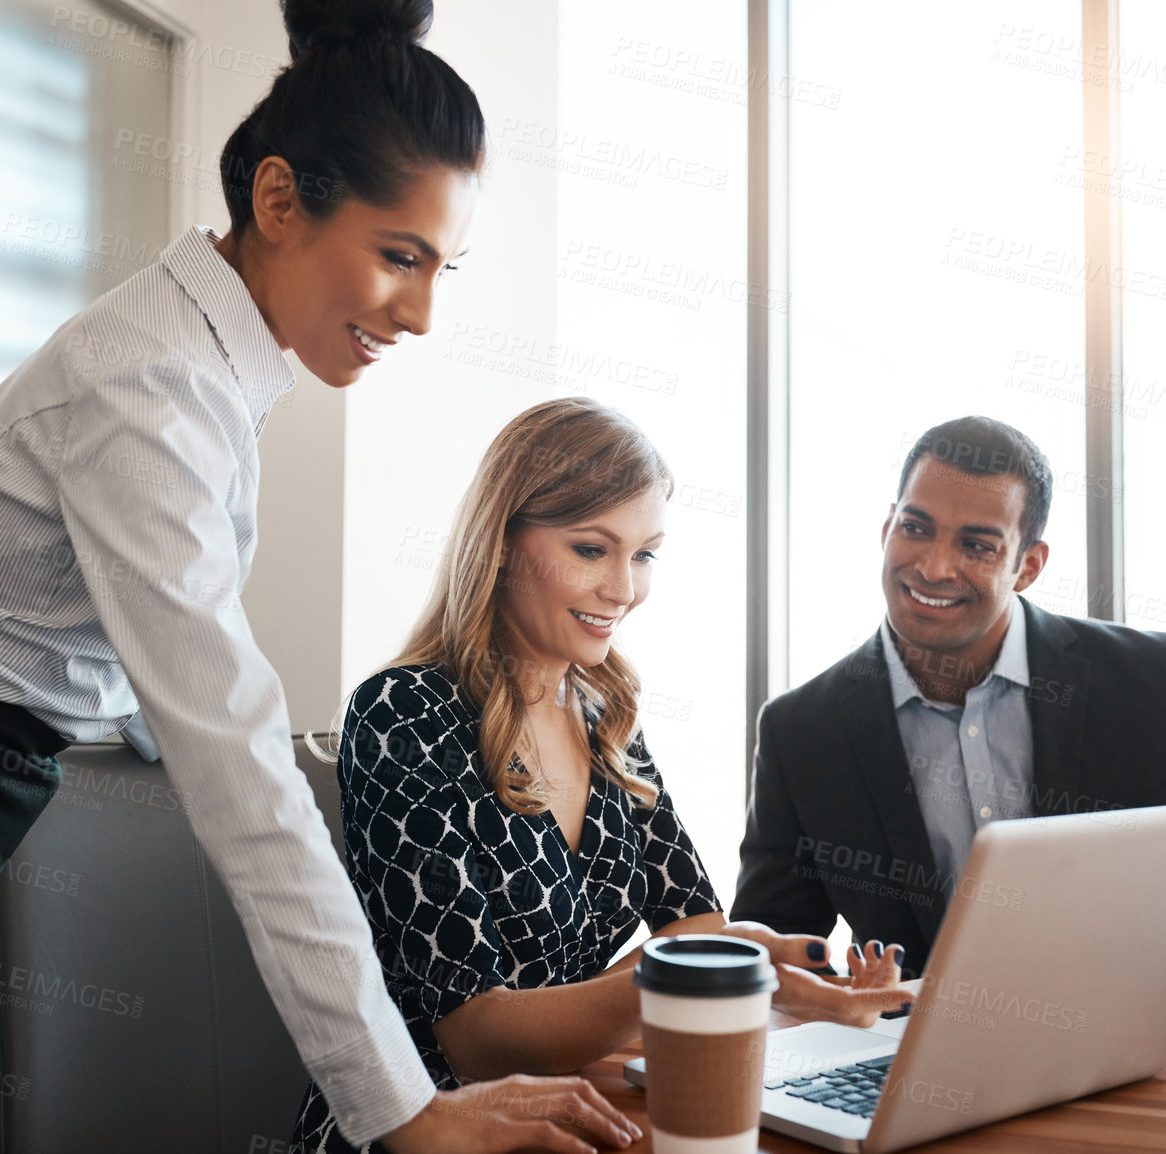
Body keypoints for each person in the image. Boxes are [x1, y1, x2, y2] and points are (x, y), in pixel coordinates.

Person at [0, 3, 634, 1152]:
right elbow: (239, 774)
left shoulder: (204, 367)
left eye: (444, 268)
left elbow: (125, 642)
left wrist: (149, 705)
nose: (424, 313)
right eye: (399, 257)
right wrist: (404, 1110)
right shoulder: (150, 386)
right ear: (281, 199)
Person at [293, 397, 911, 1154]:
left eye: (645, 554)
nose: (625, 588)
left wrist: (771, 969)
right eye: (592, 549)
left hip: (577, 1108)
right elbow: (476, 1039)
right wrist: (683, 973)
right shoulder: (405, 712)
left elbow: (692, 921)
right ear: (500, 544)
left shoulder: (603, 711)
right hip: (434, 1128)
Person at [730, 415, 1166, 985]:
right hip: (930, 1084)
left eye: (977, 545)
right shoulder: (800, 731)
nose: (932, 567)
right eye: (916, 528)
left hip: (1160, 1082)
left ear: (1029, 565)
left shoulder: (1162, 684)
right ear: (885, 529)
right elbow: (774, 951)